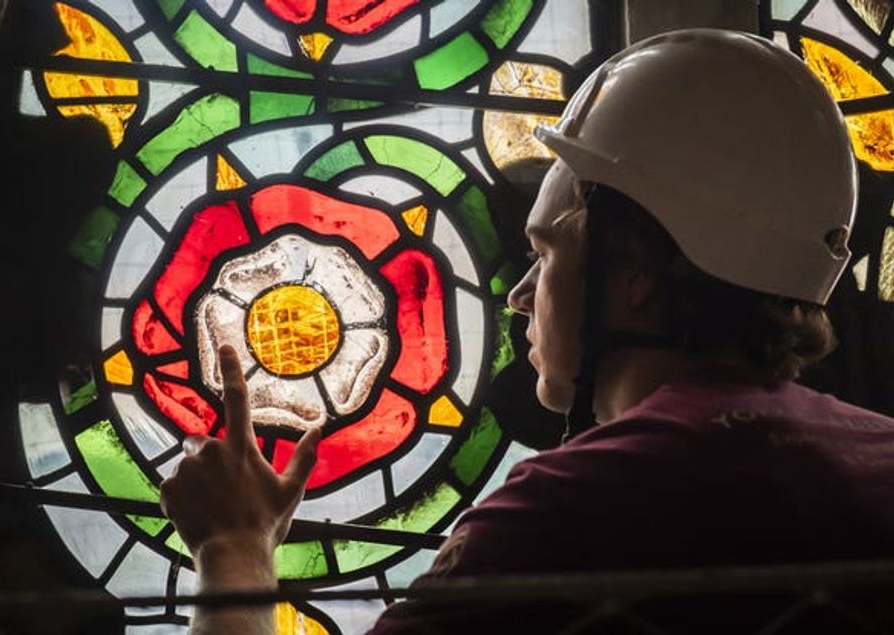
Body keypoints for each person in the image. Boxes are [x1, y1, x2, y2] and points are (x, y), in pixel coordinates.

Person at [158, 29, 894, 634]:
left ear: (635, 274)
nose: (517, 297)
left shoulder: (571, 511)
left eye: (545, 254)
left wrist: (235, 544)